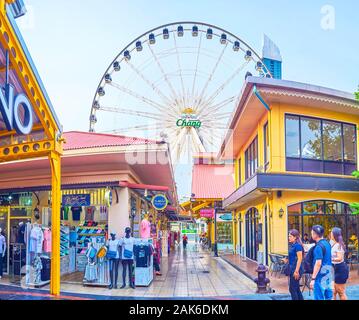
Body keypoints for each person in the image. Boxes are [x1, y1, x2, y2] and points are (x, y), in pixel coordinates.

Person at [309, 225, 334, 300]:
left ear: (315, 234)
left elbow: (318, 263)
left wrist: (313, 279)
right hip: (328, 272)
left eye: (312, 232)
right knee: (328, 297)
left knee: (319, 297)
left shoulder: (318, 247)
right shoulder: (327, 244)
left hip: (320, 274)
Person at [283, 229, 304, 300]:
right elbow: (292, 256)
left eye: (290, 236)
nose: (289, 237)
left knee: (292, 289)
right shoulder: (293, 245)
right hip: (292, 269)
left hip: (296, 269)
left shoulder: (298, 246)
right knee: (296, 288)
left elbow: (300, 258)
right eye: (289, 236)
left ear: (295, 237)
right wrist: (286, 260)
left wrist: (296, 271)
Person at [331, 227, 349, 300]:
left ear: (334, 234)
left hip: (340, 269)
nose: (330, 234)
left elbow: (340, 258)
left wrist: (330, 259)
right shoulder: (334, 244)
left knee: (340, 291)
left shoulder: (338, 245)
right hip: (334, 269)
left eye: (331, 233)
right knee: (333, 291)